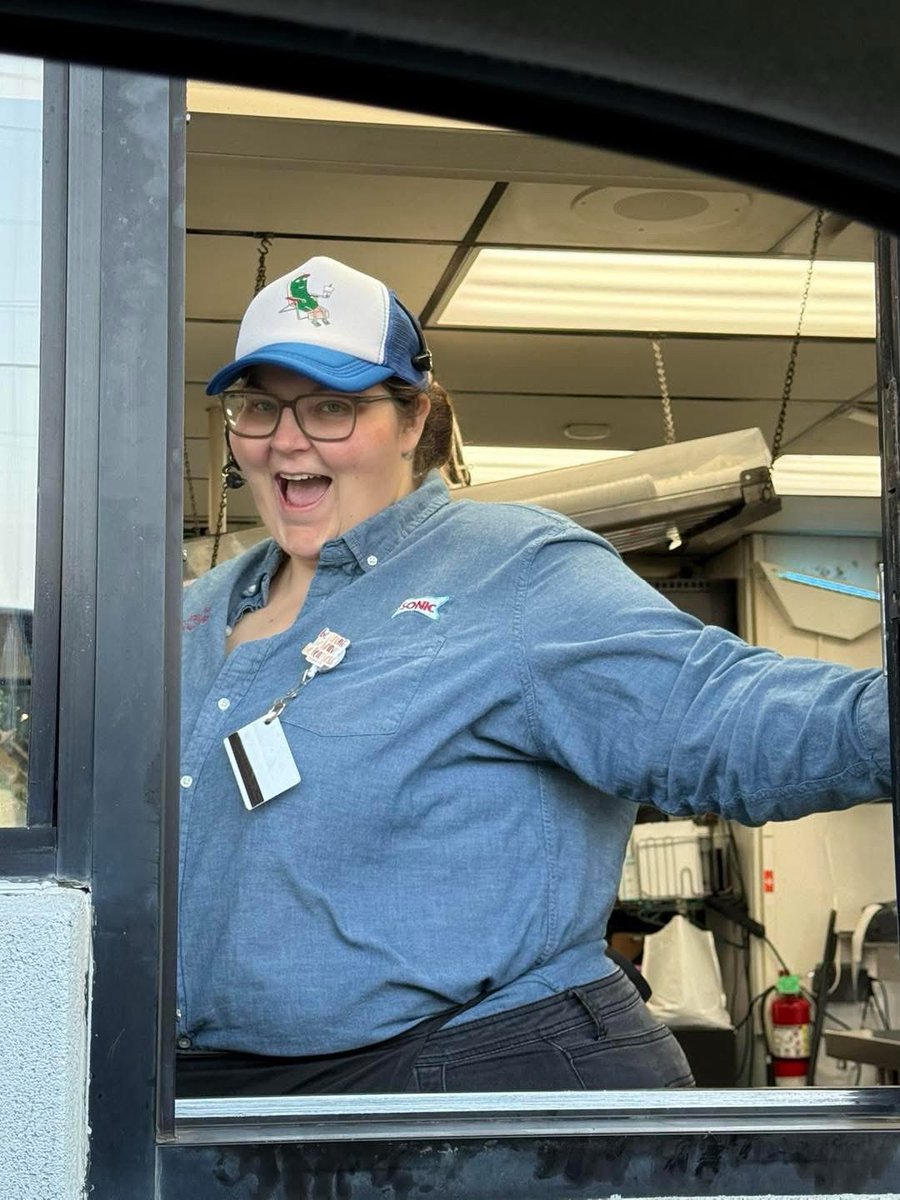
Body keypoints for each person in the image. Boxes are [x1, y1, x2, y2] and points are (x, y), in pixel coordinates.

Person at [176, 255, 892, 1097]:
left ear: (413, 420)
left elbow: (728, 719)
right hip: (218, 1108)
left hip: (464, 1093)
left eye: (333, 406)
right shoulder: (196, 609)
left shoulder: (518, 574)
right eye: (258, 405)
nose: (287, 439)